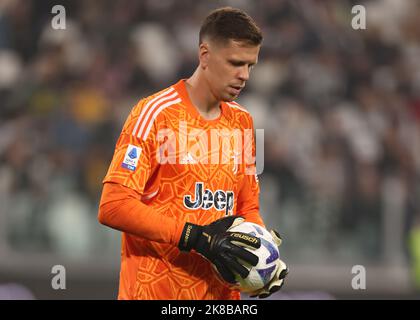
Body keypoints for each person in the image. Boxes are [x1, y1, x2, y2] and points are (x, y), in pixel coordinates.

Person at [98, 6, 288, 300]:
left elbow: (247, 208)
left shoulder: (243, 122)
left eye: (251, 65)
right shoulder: (155, 113)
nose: (244, 75)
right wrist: (195, 238)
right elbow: (114, 206)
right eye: (236, 63)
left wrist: (263, 257)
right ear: (205, 55)